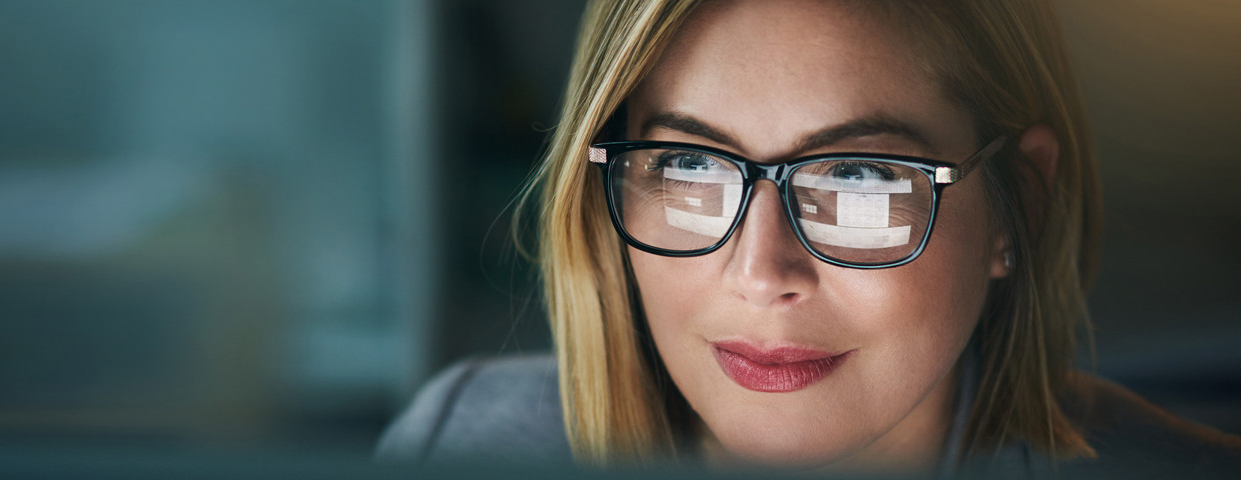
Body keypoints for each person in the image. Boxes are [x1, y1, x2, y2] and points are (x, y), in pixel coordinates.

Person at [376, 0, 1241, 477]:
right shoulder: (463, 446)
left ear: (1020, 204)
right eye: (689, 165)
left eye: (857, 177)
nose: (761, 273)